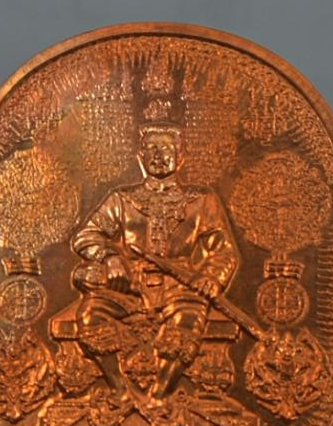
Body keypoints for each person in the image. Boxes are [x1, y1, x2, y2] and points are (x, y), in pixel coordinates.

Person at [71, 122, 238, 407]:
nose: (158, 155)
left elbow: (224, 251)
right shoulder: (122, 200)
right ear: (140, 157)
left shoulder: (201, 201)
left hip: (180, 287)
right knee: (90, 315)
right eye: (151, 149)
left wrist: (211, 278)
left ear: (180, 156)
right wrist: (110, 257)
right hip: (130, 287)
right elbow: (86, 236)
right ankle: (121, 389)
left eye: (165, 148)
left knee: (188, 321)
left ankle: (158, 397)